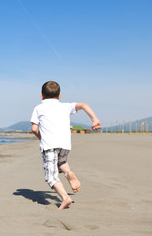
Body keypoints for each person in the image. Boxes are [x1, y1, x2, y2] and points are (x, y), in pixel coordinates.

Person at [30, 81, 101, 210]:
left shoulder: (38, 108)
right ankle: (68, 173)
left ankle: (65, 198)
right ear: (60, 95)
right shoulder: (65, 106)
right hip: (65, 144)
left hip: (49, 145)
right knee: (61, 162)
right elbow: (83, 105)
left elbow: (34, 129)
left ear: (41, 96)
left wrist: (42, 138)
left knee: (50, 176)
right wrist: (94, 119)